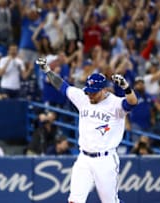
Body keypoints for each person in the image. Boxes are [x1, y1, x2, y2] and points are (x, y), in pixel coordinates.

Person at [36, 57, 137, 203]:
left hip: (105, 159)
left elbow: (132, 103)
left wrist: (126, 88)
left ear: (104, 89)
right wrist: (47, 71)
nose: (90, 95)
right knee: (75, 200)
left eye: (94, 92)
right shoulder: (83, 97)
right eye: (88, 91)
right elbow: (62, 86)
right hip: (84, 158)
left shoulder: (114, 103)